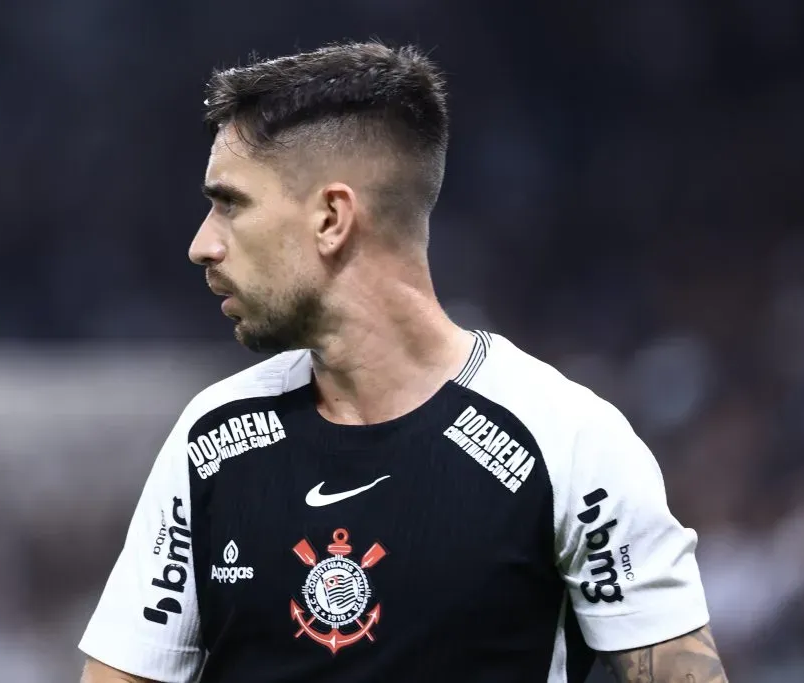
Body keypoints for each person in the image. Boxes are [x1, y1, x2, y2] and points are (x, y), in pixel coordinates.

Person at [78, 41, 728, 683]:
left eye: (230, 204)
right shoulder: (213, 440)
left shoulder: (568, 443)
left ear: (332, 217)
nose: (202, 244)